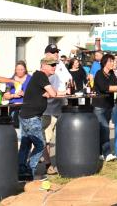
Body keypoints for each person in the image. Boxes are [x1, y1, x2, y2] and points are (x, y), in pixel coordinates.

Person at [18, 55, 59, 181]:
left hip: (26, 115)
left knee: (26, 145)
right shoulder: (41, 75)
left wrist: (46, 94)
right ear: (43, 66)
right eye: (51, 65)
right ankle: (30, 171)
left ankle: (21, 173)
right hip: (31, 117)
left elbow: (47, 93)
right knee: (40, 145)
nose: (54, 67)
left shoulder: (37, 76)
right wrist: (49, 93)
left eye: (55, 65)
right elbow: (53, 93)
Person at [42, 44, 72, 175]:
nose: (56, 54)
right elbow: (46, 87)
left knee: (63, 135)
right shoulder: (45, 66)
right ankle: (48, 164)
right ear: (47, 54)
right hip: (48, 106)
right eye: (53, 52)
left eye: (57, 52)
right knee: (47, 138)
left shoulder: (60, 64)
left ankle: (64, 162)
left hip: (61, 105)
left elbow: (68, 78)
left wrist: (69, 87)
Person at [93, 53, 117, 161]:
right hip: (99, 106)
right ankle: (107, 154)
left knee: (101, 130)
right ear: (105, 63)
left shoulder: (112, 73)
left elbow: (116, 84)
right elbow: (104, 88)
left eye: (113, 61)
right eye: (111, 61)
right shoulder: (99, 74)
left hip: (108, 106)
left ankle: (99, 154)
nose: (113, 63)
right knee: (106, 129)